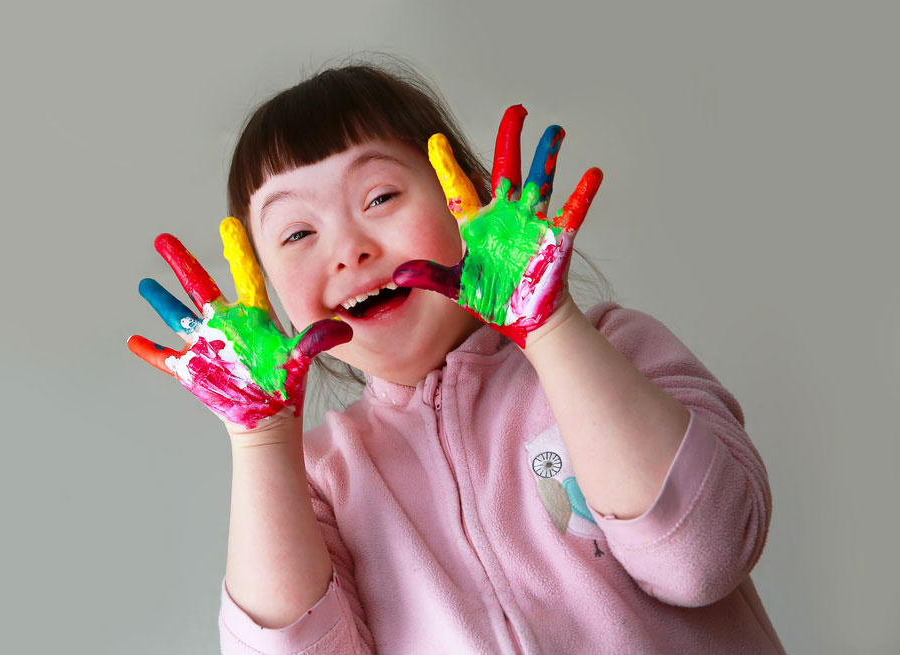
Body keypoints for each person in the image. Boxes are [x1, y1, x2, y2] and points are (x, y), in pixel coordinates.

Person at [128, 61, 785, 654]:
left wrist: (550, 327)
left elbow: (705, 557)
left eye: (381, 197)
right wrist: (262, 440)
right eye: (297, 232)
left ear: (466, 196)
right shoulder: (320, 482)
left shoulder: (616, 348)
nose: (349, 249)